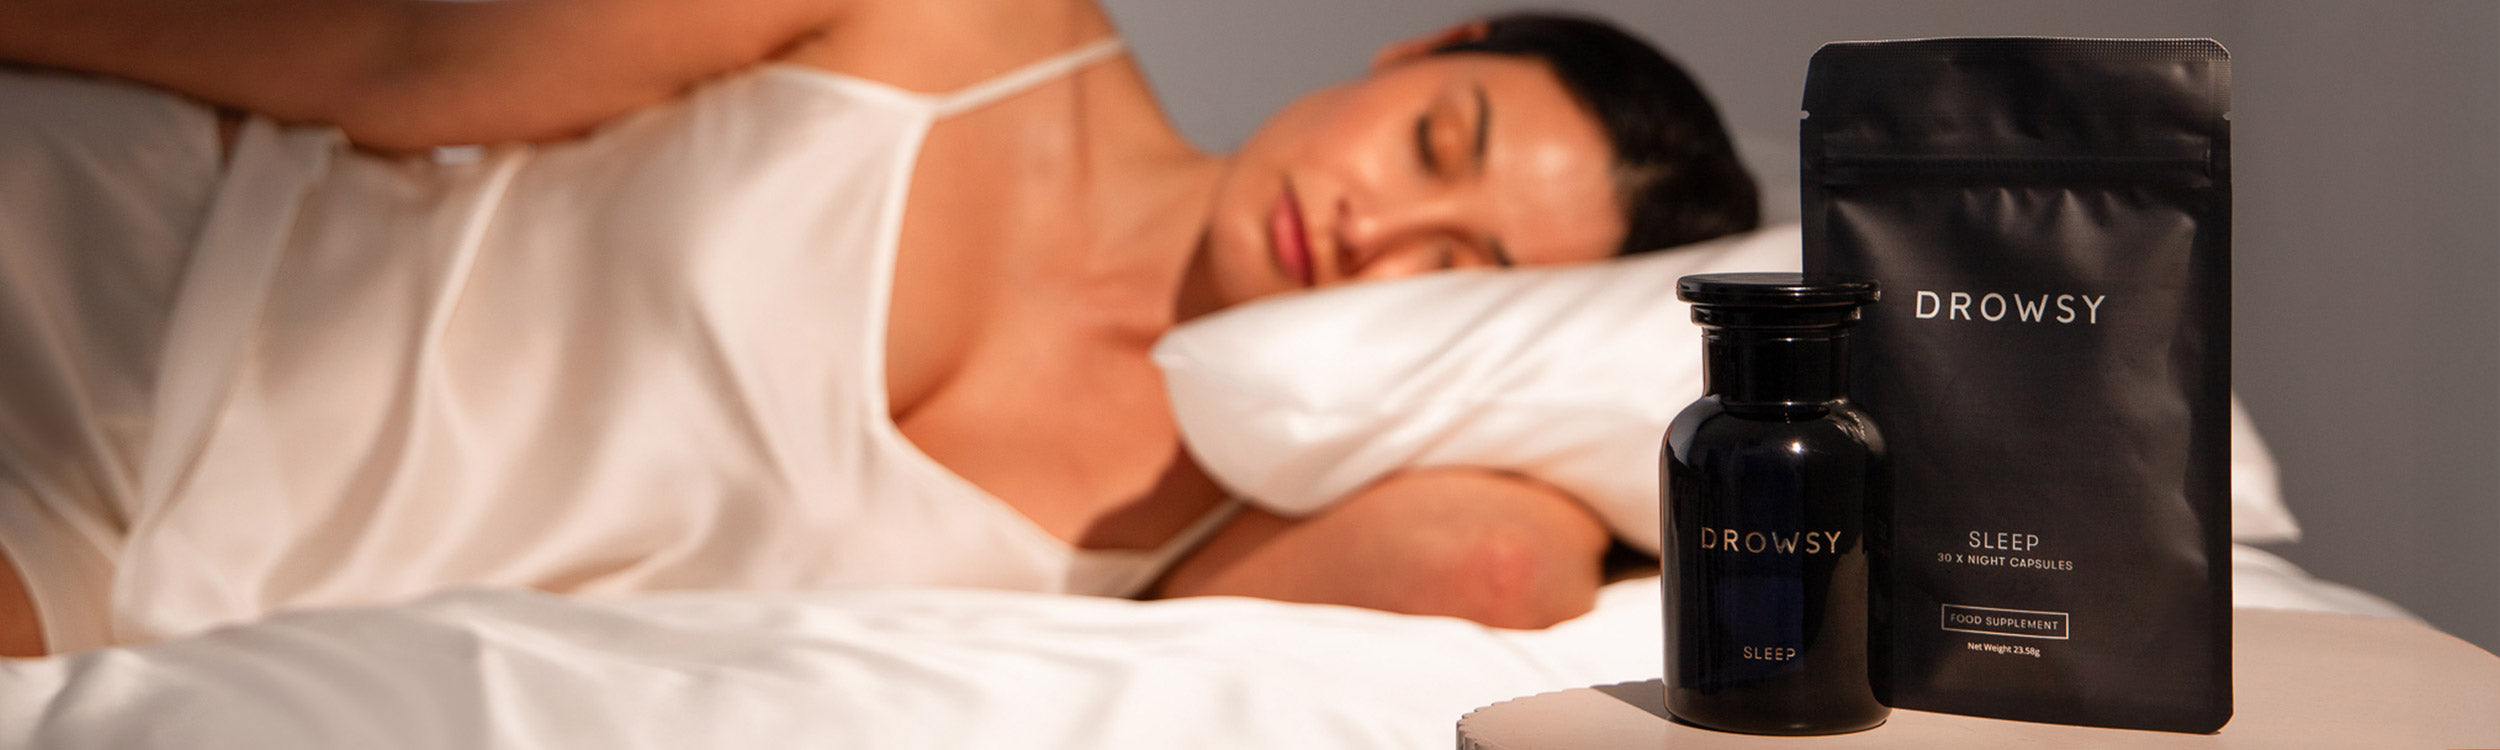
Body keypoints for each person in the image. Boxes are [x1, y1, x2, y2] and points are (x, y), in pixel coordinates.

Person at [0, 0, 1758, 657]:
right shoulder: (968, 22)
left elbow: (1491, 573)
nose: (1381, 226)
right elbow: (409, 57)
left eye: (1462, 274)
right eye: (1434, 145)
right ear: (1413, 59)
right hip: (130, 289)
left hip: (178, 586)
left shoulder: (1228, 514)